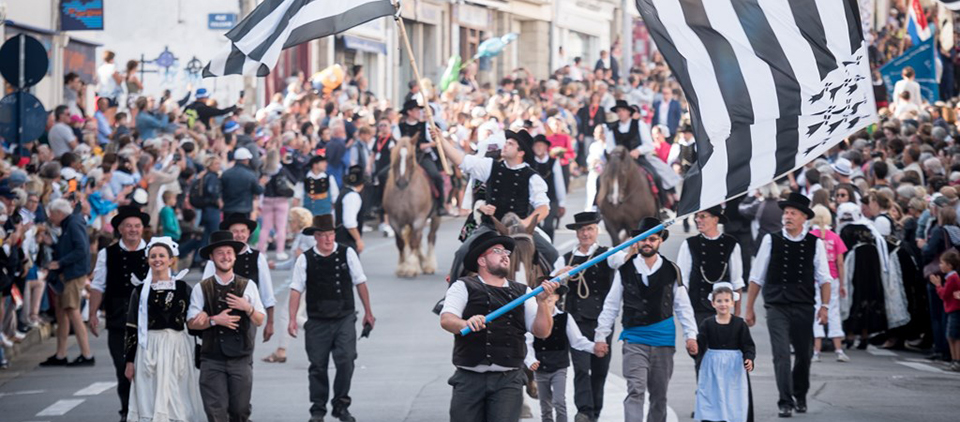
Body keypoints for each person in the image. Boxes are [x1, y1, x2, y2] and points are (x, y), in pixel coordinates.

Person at [439, 231, 561, 422]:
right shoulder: (462, 286)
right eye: (497, 251)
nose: (505, 255)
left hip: (508, 380)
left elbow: (542, 331)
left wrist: (543, 304)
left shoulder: (524, 292)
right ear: (482, 260)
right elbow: (446, 319)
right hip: (468, 379)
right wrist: (465, 322)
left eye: (507, 252)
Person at [594, 217, 699, 422]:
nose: (647, 243)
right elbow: (611, 305)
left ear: (660, 241)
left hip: (663, 340)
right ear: (636, 242)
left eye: (652, 239)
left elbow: (683, 306)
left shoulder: (672, 270)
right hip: (634, 339)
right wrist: (601, 336)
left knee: (659, 396)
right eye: (643, 239)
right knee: (636, 389)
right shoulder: (625, 270)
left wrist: (691, 335)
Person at [745, 192, 832, 417]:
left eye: (793, 213)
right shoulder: (770, 240)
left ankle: (800, 394)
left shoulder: (815, 243)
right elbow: (757, 276)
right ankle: (785, 400)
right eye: (786, 212)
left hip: (804, 305)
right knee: (781, 354)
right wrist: (749, 308)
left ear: (804, 218)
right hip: (776, 305)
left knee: (804, 354)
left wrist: (825, 307)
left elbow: (824, 278)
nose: (788, 216)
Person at [436, 128, 556, 280]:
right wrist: (441, 139)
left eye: (510, 144)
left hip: (520, 231)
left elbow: (544, 207)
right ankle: (452, 296)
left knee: (552, 254)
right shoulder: (489, 166)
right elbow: (462, 161)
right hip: (490, 228)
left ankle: (555, 298)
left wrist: (525, 222)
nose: (505, 146)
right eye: (506, 142)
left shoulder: (532, 177)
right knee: (461, 253)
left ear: (521, 152)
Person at [288, 214, 375, 422]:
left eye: (331, 234)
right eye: (322, 235)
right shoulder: (305, 259)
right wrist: (292, 318)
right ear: (315, 237)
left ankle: (341, 405)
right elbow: (296, 289)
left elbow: (360, 282)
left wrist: (368, 312)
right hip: (317, 320)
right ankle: (317, 409)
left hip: (344, 317)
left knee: (346, 360)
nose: (328, 239)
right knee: (317, 365)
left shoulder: (347, 253)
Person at [187, 231, 266, 422]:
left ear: (235, 255)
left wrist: (247, 307)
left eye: (229, 252)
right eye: (220, 253)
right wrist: (214, 320)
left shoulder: (248, 286)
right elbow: (191, 323)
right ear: (212, 257)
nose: (225, 256)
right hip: (211, 358)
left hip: (240, 357)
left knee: (240, 411)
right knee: (215, 412)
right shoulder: (201, 288)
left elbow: (259, 320)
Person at [124, 237, 204, 422]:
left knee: (177, 394)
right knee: (150, 394)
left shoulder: (183, 288)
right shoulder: (140, 291)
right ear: (148, 260)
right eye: (153, 256)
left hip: (177, 347)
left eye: (162, 255)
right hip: (149, 346)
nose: (157, 259)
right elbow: (132, 326)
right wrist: (129, 361)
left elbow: (193, 320)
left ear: (171, 260)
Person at [550, 212, 619, 422]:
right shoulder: (566, 258)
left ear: (596, 231)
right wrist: (560, 274)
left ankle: (595, 412)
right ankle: (584, 411)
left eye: (589, 229)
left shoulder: (607, 254)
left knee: (600, 370)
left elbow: (624, 260)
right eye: (581, 230)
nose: (585, 233)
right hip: (575, 321)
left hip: (602, 322)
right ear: (577, 233)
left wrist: (633, 248)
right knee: (581, 368)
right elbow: (550, 282)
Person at [87, 206, 150, 421]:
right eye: (128, 226)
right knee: (124, 369)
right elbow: (98, 285)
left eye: (137, 226)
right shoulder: (107, 253)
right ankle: (127, 409)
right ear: (120, 229)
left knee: (147, 369)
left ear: (142, 229)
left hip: (147, 320)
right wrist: (93, 313)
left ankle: (146, 410)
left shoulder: (153, 251)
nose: (133, 230)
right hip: (118, 319)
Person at [526, 275, 599, 422]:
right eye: (543, 294)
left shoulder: (565, 318)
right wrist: (530, 360)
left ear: (557, 297)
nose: (548, 297)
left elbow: (577, 340)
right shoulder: (531, 319)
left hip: (559, 367)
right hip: (540, 368)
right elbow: (527, 343)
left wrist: (594, 347)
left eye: (551, 294)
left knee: (559, 402)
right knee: (545, 404)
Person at [203, 214, 276, 343]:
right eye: (235, 232)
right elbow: (204, 289)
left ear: (248, 233)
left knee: (243, 354)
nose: (240, 235)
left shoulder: (257, 257)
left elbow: (267, 292)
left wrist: (270, 322)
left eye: (243, 231)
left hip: (247, 315)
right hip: (218, 313)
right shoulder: (215, 258)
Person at [40, 198, 95, 367]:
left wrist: (60, 262)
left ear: (59, 213)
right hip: (70, 273)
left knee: (72, 310)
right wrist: (54, 246)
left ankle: (86, 354)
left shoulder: (73, 224)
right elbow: (72, 247)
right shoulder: (70, 223)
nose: (50, 217)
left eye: (52, 213)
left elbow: (81, 249)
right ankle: (61, 354)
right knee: (62, 312)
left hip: (73, 274)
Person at [694, 284, 755, 422]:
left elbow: (748, 345)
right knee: (712, 396)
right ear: (713, 303)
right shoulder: (707, 323)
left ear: (733, 302)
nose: (723, 304)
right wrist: (693, 348)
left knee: (734, 396)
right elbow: (700, 345)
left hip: (734, 367)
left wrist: (749, 358)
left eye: (727, 300)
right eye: (719, 301)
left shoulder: (740, 324)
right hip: (712, 366)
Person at [603, 100, 680, 208]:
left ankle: (661, 205)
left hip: (638, 158)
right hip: (619, 160)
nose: (620, 113)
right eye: (618, 111)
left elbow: (648, 144)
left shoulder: (639, 124)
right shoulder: (612, 128)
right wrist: (617, 153)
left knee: (655, 175)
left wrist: (638, 151)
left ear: (628, 112)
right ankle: (600, 205)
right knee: (602, 178)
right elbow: (609, 147)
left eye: (623, 110)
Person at [676, 205, 745, 324]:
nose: (698, 220)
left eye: (703, 216)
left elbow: (737, 281)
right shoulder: (689, 244)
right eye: (696, 216)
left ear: (715, 219)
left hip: (723, 309)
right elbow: (683, 281)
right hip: (697, 308)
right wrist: (684, 311)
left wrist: (737, 313)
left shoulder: (731, 244)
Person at [808, 205, 851, 363]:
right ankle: (838, 349)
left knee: (816, 311)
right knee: (833, 311)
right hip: (833, 278)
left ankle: (816, 351)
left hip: (815, 279)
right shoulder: (835, 237)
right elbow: (840, 262)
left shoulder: (810, 236)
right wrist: (842, 284)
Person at [394, 99, 445, 212]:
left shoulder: (424, 125)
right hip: (405, 157)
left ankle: (441, 204)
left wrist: (425, 145)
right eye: (417, 110)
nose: (419, 112)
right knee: (383, 175)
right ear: (409, 112)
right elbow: (396, 144)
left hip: (422, 157)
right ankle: (382, 205)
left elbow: (435, 141)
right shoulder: (399, 127)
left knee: (436, 176)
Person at [929, 250, 960, 371]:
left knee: (954, 336)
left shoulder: (952, 278)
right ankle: (954, 359)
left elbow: (944, 294)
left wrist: (938, 285)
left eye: (942, 263)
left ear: (949, 265)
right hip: (952, 309)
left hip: (954, 309)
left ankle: (956, 360)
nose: (940, 265)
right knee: (950, 336)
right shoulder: (952, 277)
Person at [531, 135, 566, 240]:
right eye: (536, 145)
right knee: (535, 226)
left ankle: (549, 248)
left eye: (541, 145)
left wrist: (561, 202)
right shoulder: (530, 163)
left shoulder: (553, 162)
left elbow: (559, 182)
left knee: (548, 226)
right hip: (533, 200)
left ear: (546, 147)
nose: (539, 148)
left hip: (551, 199)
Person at [221, 147, 266, 218]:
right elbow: (258, 190)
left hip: (228, 208)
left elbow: (221, 189)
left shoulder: (226, 173)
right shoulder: (250, 175)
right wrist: (262, 184)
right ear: (246, 160)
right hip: (244, 209)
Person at [335, 165, 366, 253]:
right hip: (347, 241)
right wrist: (358, 240)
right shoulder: (353, 196)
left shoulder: (344, 192)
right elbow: (349, 223)